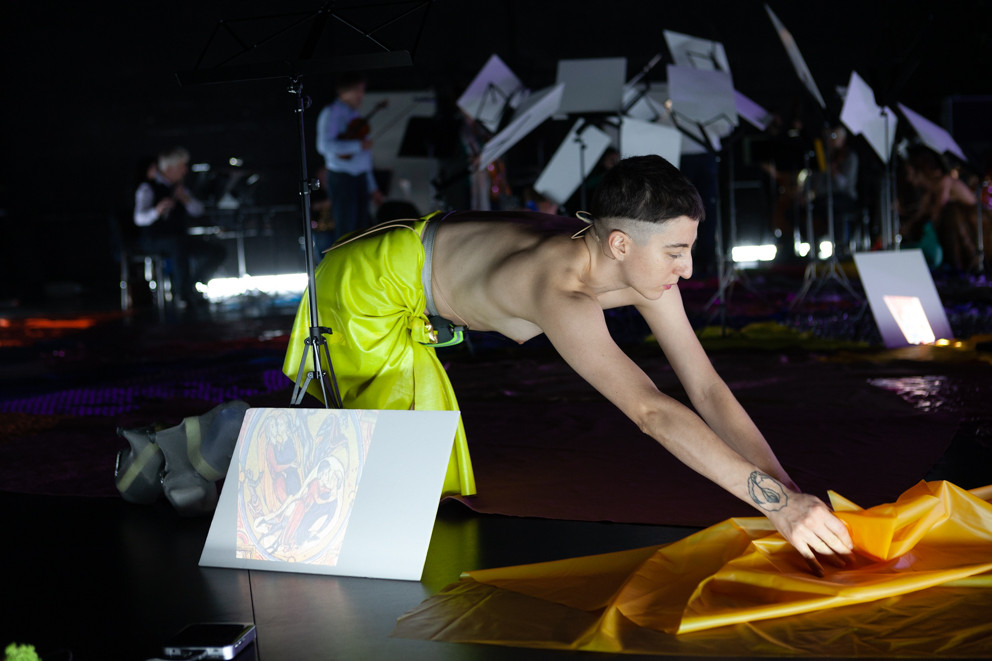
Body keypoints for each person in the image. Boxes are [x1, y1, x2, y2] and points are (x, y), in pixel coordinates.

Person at [283, 155, 855, 574]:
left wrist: (787, 492)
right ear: (621, 246)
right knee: (360, 486)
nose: (686, 271)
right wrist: (777, 506)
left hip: (430, 266)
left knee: (386, 478)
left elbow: (705, 388)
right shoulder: (559, 289)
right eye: (675, 253)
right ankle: (212, 443)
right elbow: (650, 410)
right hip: (369, 285)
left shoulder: (644, 271)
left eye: (689, 250)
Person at [133, 146, 226, 314]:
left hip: (178, 239)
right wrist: (157, 210)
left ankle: (193, 285)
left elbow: (198, 210)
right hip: (154, 240)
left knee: (217, 250)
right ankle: (182, 294)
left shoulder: (180, 189)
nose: (185, 170)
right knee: (177, 246)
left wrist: (186, 199)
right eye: (182, 166)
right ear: (170, 168)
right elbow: (139, 218)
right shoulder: (148, 188)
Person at [314, 72, 384, 251]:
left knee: (363, 230)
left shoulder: (355, 116)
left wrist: (372, 187)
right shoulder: (331, 112)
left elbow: (364, 159)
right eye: (358, 91)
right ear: (346, 91)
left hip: (359, 179)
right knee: (347, 230)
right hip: (342, 178)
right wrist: (358, 145)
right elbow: (324, 146)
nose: (362, 96)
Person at [901, 144, 987, 272]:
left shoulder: (945, 181)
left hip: (975, 221)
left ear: (920, 171)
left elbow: (938, 210)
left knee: (951, 215)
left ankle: (969, 262)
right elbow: (922, 214)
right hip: (963, 224)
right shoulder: (930, 192)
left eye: (910, 173)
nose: (908, 179)